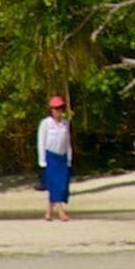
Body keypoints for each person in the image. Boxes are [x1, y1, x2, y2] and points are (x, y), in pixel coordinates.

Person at [36, 94, 74, 223]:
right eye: (55, 108)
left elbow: (68, 142)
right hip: (50, 157)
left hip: (62, 158)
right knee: (54, 185)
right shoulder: (45, 123)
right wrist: (42, 160)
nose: (58, 111)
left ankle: (48, 212)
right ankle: (61, 212)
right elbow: (41, 142)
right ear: (51, 110)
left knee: (62, 185)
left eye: (60, 108)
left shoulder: (65, 124)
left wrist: (69, 158)